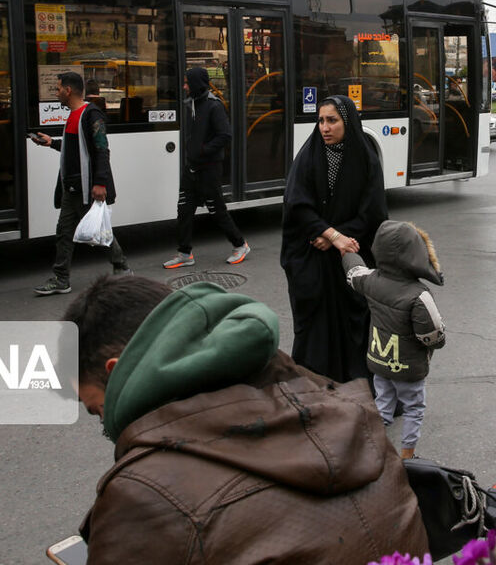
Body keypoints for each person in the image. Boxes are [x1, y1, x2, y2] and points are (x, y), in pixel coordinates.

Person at [64, 275, 428, 564]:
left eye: (96, 409)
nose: (104, 425)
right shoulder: (336, 399)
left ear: (115, 372)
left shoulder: (142, 493)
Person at [281, 96, 387, 383]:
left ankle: (356, 384)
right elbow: (297, 204)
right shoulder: (309, 155)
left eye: (332, 120)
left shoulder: (365, 158)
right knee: (314, 323)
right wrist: (330, 234)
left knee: (355, 318)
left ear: (347, 122)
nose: (325, 128)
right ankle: (312, 383)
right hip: (313, 254)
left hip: (350, 255)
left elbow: (372, 212)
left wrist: (336, 237)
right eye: (321, 120)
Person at [342, 220, 447, 460]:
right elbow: (432, 335)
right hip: (408, 368)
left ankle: (372, 448)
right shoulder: (418, 295)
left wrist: (346, 252)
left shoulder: (371, 280)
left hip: (379, 362)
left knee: (383, 403)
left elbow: (353, 272)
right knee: (413, 409)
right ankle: (407, 455)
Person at [29, 71, 129, 295]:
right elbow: (74, 150)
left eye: (57, 89)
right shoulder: (74, 115)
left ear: (68, 90)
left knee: (100, 231)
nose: (56, 93)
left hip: (87, 188)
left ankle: (121, 266)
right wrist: (51, 143)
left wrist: (100, 183)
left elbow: (102, 149)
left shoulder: (91, 114)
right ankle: (61, 278)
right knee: (64, 232)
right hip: (71, 187)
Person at [162, 67, 249, 269]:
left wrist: (203, 150)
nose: (184, 86)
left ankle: (240, 244)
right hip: (191, 168)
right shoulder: (190, 104)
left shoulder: (213, 106)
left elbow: (225, 135)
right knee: (184, 209)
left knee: (216, 210)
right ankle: (184, 253)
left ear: (196, 84)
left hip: (209, 168)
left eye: (187, 83)